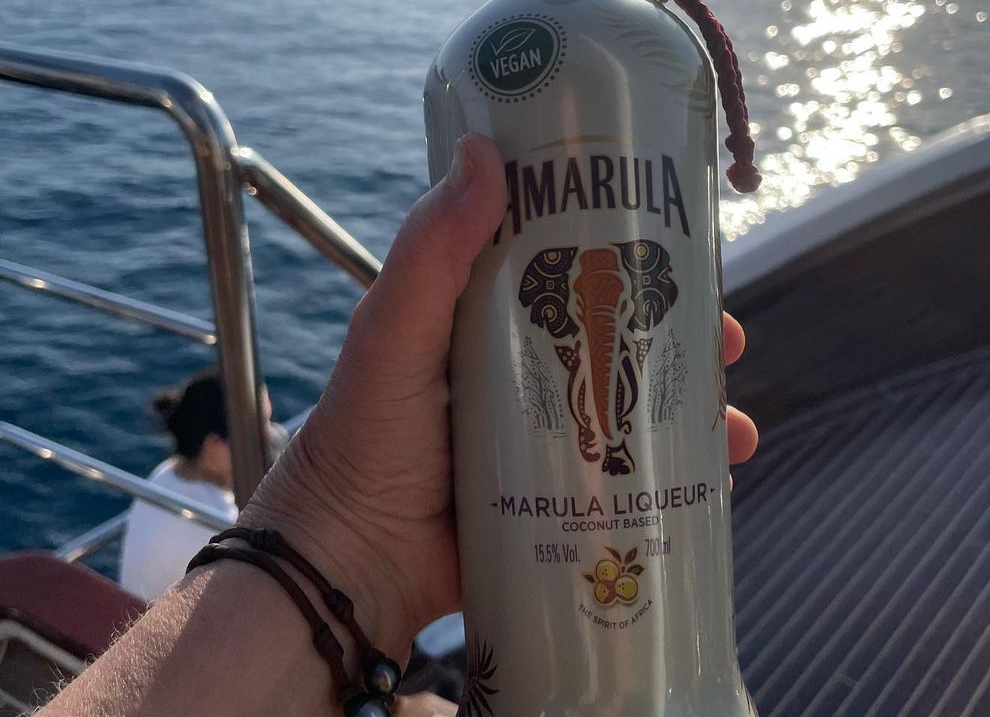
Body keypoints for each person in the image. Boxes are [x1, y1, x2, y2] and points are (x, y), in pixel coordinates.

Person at [41, 135, 758, 716]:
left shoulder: (166, 487)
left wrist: (344, 539)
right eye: (258, 421)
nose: (272, 426)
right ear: (216, 444)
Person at [119, 369, 280, 601]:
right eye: (259, 427)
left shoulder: (166, 472)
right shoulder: (222, 524)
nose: (270, 435)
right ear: (214, 445)